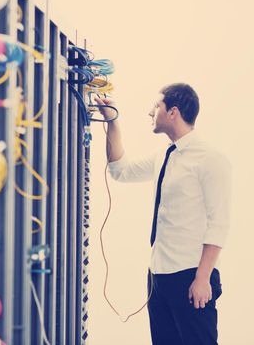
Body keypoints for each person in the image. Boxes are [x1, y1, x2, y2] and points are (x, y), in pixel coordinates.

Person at [95, 83, 231, 345]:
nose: (150, 112)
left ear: (173, 112)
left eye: (156, 106)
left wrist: (202, 278)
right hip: (158, 277)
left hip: (190, 276)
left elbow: (219, 223)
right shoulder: (164, 155)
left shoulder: (210, 159)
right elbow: (120, 170)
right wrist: (113, 122)